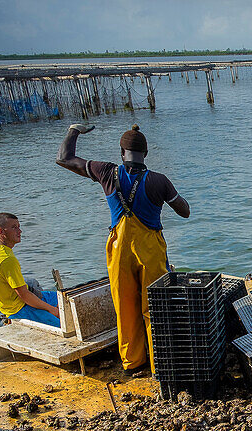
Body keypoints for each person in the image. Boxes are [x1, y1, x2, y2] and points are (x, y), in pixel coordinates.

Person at [56, 123, 190, 373]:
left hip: (119, 249)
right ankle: (159, 362)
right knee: (155, 305)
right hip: (150, 249)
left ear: (121, 152)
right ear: (146, 154)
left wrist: (74, 131)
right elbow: (185, 212)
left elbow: (64, 158)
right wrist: (170, 196)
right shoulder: (159, 181)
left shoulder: (106, 172)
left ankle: (133, 363)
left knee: (125, 307)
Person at [0, 213, 61, 328]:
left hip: (20, 300)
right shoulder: (6, 259)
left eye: (19, 226)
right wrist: (52, 310)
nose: (20, 231)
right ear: (1, 231)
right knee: (65, 326)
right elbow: (24, 295)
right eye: (14, 227)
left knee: (65, 299)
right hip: (19, 309)